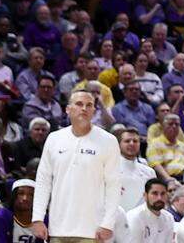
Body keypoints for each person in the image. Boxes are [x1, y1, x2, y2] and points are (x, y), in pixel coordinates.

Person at [31, 90, 121, 242]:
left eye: (89, 105)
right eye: (79, 104)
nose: (84, 108)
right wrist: (38, 218)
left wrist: (108, 223)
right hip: (57, 228)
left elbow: (114, 185)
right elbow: (43, 181)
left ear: (94, 111)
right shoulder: (54, 139)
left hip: (92, 230)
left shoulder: (109, 140)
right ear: (68, 109)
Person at [0, 178, 40, 243]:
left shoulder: (43, 219)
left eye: (31, 195)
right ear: (13, 196)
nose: (25, 198)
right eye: (21, 193)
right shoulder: (0, 217)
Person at [117, 129, 158, 211]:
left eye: (135, 141)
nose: (132, 144)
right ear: (119, 144)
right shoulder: (109, 168)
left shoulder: (149, 172)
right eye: (127, 141)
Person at [125, 178, 174, 243]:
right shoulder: (134, 217)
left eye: (163, 194)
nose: (159, 198)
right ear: (145, 196)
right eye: (155, 193)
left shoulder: (169, 217)